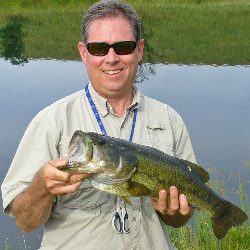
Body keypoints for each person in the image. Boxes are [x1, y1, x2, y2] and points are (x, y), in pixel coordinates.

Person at [1, 1, 196, 249]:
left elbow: (180, 219)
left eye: (123, 47)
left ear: (139, 50)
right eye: (99, 48)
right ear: (84, 53)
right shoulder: (51, 121)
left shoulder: (170, 120)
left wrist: (175, 212)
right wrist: (41, 187)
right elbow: (25, 223)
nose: (111, 59)